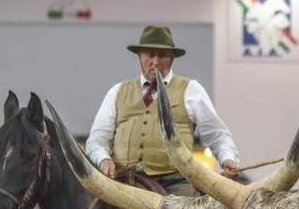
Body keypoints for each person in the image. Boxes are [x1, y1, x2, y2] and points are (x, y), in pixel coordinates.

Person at [86, 25, 241, 197]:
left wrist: (228, 159)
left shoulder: (191, 90)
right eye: (149, 54)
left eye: (162, 55)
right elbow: (96, 140)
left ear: (172, 58)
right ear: (139, 56)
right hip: (122, 181)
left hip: (175, 183)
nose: (155, 61)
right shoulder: (117, 92)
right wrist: (104, 159)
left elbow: (217, 135)